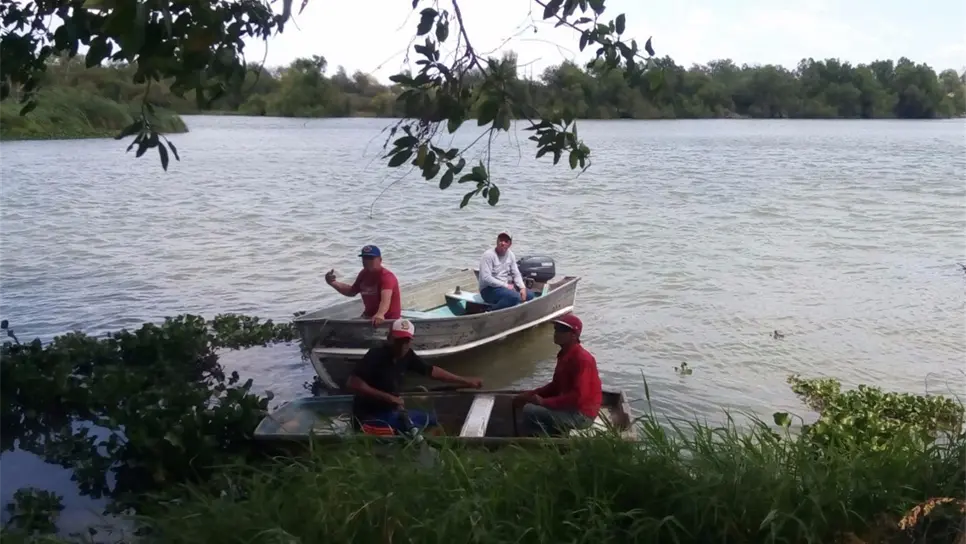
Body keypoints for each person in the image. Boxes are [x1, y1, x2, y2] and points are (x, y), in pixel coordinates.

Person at [347, 318, 483, 434]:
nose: (402, 346)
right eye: (398, 341)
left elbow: (431, 371)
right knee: (413, 431)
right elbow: (353, 383)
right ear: (389, 338)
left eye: (406, 341)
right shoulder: (375, 355)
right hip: (368, 418)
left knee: (434, 420)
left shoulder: (407, 355)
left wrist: (465, 381)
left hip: (393, 412)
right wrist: (389, 398)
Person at [512, 313, 602, 437]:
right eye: (556, 329)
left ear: (574, 335)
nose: (557, 333)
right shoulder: (564, 354)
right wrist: (531, 394)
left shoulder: (582, 359)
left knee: (530, 411)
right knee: (527, 403)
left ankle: (541, 444)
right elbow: (556, 386)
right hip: (571, 408)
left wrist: (544, 402)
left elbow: (578, 397)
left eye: (562, 330)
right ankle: (554, 435)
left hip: (582, 414)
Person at [324, 244, 401, 326]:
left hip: (387, 319)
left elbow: (385, 300)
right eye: (364, 258)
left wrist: (380, 314)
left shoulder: (386, 276)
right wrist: (333, 282)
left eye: (371, 258)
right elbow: (351, 292)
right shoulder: (363, 274)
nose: (367, 261)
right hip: (368, 317)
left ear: (380, 260)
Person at [478, 232, 534, 311]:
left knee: (530, 295)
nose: (502, 243)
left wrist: (522, 287)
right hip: (488, 289)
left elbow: (516, 273)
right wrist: (506, 285)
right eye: (500, 240)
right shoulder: (488, 255)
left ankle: (513, 308)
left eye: (506, 241)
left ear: (510, 244)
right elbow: (486, 278)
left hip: (504, 287)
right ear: (497, 241)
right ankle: (490, 310)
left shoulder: (510, 255)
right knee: (514, 297)